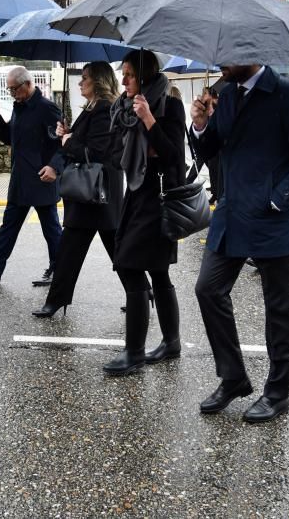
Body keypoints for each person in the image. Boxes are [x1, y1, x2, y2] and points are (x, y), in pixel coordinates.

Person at [189, 63, 289, 423]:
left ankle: (277, 393)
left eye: (226, 55)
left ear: (248, 51)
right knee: (208, 290)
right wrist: (201, 123)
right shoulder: (230, 94)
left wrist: (279, 198)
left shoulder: (288, 93)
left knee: (278, 310)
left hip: (273, 219)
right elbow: (210, 149)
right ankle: (233, 377)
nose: (220, 62)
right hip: (232, 214)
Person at [102, 50, 186, 376]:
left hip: (159, 195)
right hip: (136, 193)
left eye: (130, 75)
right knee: (158, 272)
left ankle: (134, 353)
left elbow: (174, 156)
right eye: (122, 74)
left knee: (129, 266)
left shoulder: (169, 104)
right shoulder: (125, 108)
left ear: (145, 76)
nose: (123, 80)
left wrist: (150, 120)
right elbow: (115, 149)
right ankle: (171, 342)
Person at [32, 62, 123, 317]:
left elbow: (96, 152)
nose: (80, 83)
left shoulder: (104, 109)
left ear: (99, 81)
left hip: (96, 193)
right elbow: (86, 143)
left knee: (93, 249)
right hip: (91, 195)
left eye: (85, 78)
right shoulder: (93, 108)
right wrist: (68, 133)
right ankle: (57, 300)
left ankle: (140, 291)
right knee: (74, 250)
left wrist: (68, 141)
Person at [0, 66, 63, 285]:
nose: (12, 94)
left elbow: (60, 145)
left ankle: (59, 270)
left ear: (27, 84)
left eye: (14, 89)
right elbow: (10, 138)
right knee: (8, 226)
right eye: (9, 90)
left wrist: (54, 168)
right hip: (20, 178)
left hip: (41, 178)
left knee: (51, 228)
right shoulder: (19, 107)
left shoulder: (48, 109)